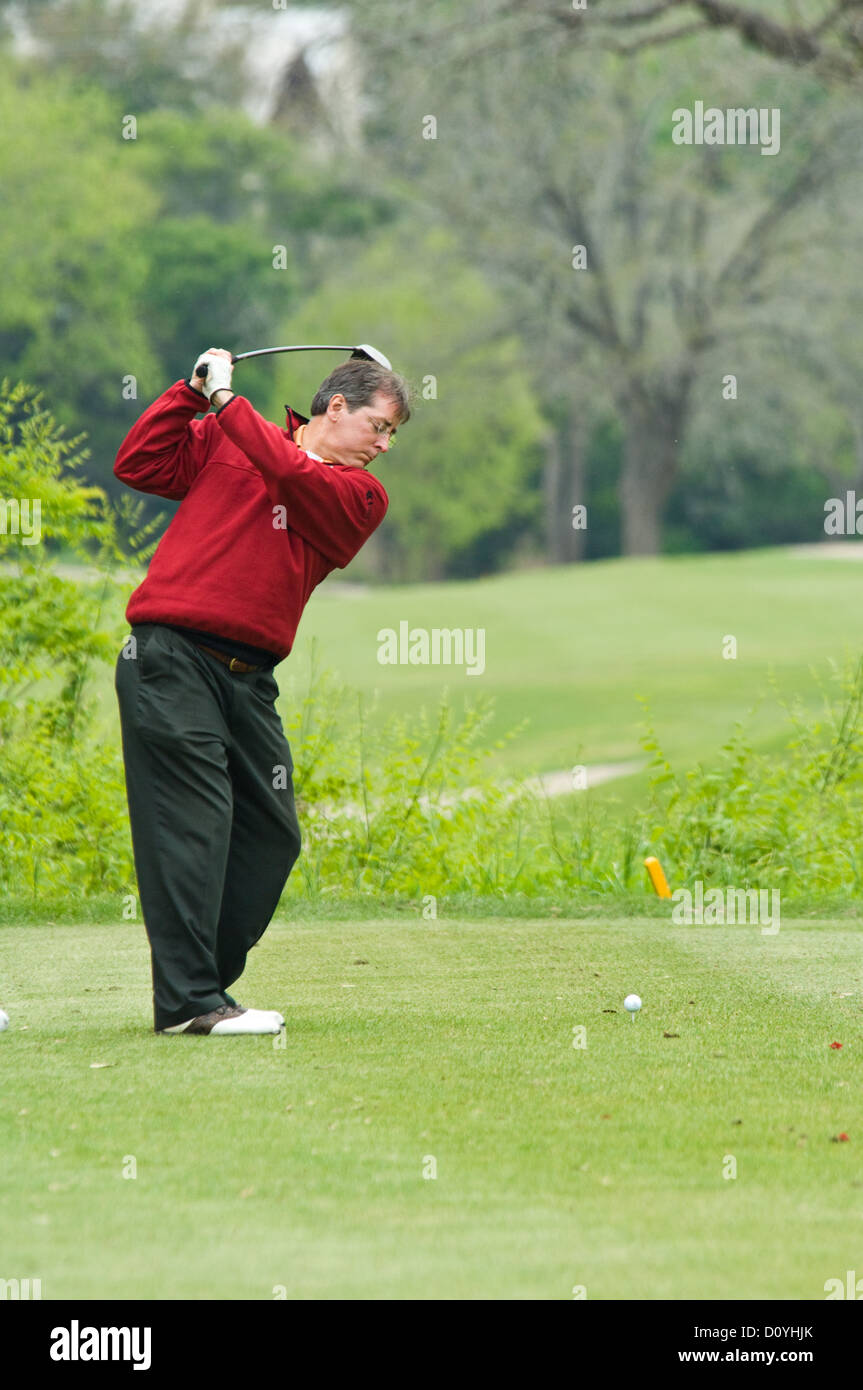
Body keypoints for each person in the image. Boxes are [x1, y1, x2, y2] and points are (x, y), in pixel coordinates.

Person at [113, 346, 411, 1036]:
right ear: (335, 407)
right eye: (380, 426)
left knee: (271, 837)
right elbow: (141, 464)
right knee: (196, 823)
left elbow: (287, 470)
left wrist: (225, 404)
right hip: (169, 659)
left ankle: (193, 986)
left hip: (249, 683)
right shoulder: (228, 435)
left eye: (392, 434)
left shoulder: (358, 496)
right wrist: (190, 395)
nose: (385, 446)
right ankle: (192, 1002)